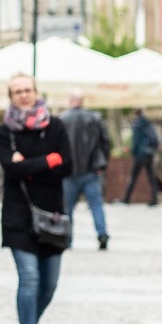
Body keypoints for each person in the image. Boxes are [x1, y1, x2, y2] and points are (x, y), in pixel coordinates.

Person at [0, 72, 72, 324]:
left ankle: (31, 323)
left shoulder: (56, 126)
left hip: (52, 216)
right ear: (11, 97)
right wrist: (47, 161)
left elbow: (67, 165)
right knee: (29, 278)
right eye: (17, 92)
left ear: (37, 92)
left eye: (28, 90)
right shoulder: (5, 132)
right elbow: (9, 170)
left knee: (49, 285)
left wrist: (27, 165)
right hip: (18, 216)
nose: (23, 95)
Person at [60, 93, 111, 249]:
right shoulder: (94, 118)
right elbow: (105, 141)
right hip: (91, 170)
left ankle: (67, 238)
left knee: (67, 207)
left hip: (69, 171)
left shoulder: (63, 119)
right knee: (96, 204)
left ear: (71, 101)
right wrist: (102, 163)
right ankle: (102, 234)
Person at [124, 108, 159, 206]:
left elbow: (135, 141)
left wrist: (133, 152)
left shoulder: (137, 124)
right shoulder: (148, 123)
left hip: (140, 154)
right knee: (151, 176)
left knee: (133, 176)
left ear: (135, 114)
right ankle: (155, 199)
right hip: (149, 153)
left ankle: (126, 198)